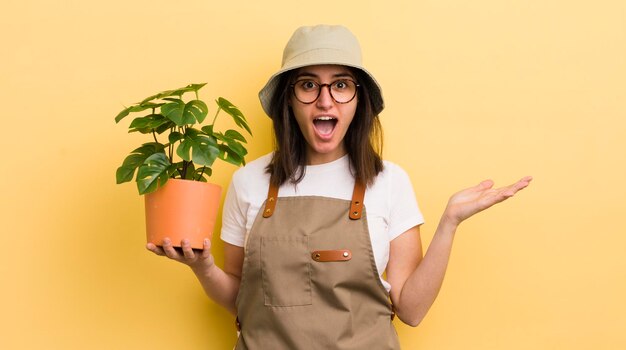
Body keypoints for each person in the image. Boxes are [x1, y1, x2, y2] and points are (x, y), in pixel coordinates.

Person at [147, 24, 532, 349]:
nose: (325, 100)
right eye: (309, 85)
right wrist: (203, 268)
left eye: (341, 85)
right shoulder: (248, 181)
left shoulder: (390, 182)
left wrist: (450, 222)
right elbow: (238, 299)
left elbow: (411, 311)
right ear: (290, 99)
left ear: (358, 99)